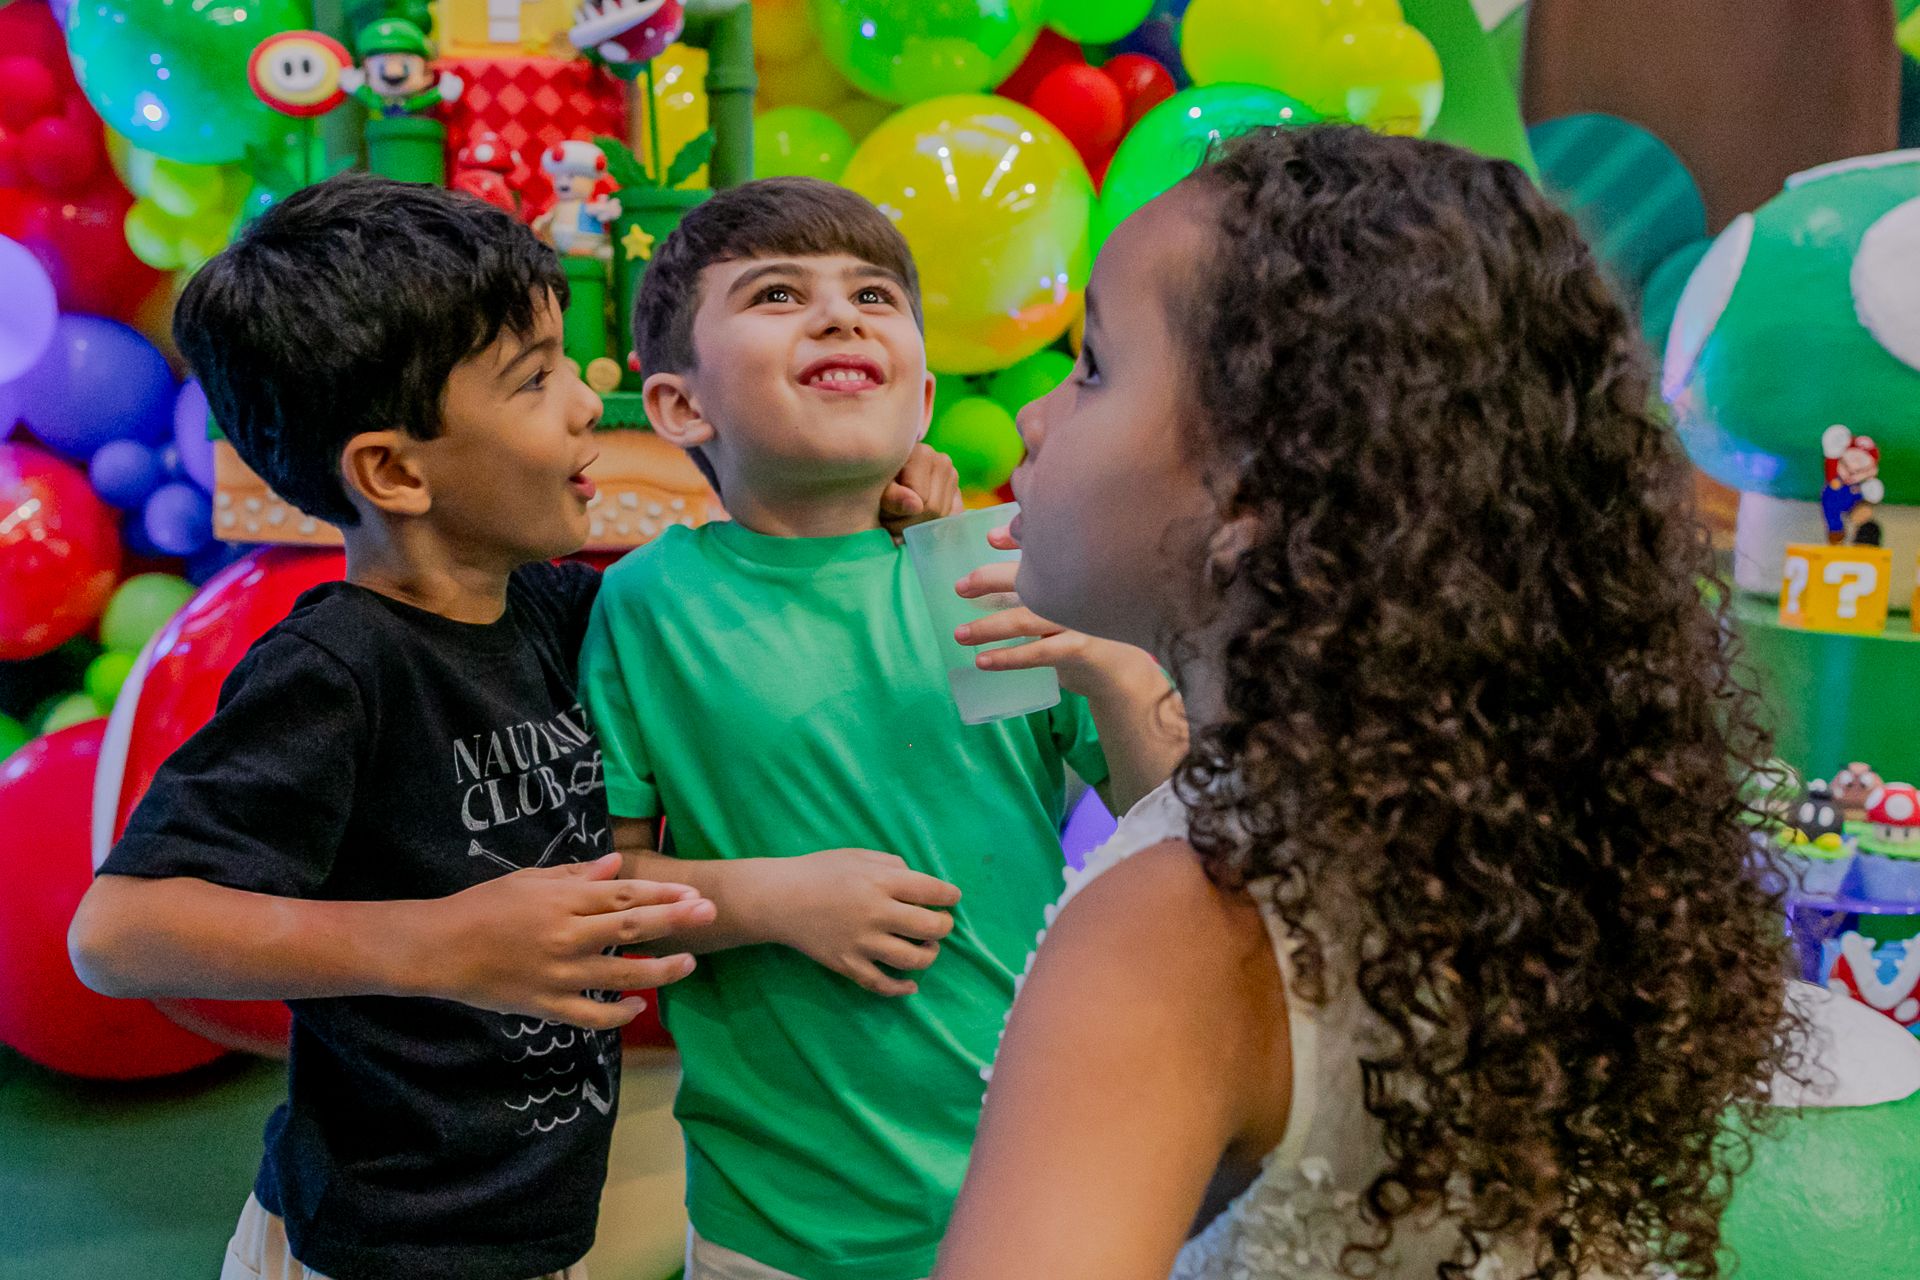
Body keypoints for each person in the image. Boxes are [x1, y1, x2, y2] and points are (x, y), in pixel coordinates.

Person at [935, 125, 1800, 1280]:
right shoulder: (1502, 840)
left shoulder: (1181, 933)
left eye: (1092, 364)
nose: (1038, 417)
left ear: (1253, 490)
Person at [64, 173, 953, 1280]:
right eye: (535, 380)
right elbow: (118, 931)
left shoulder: (562, 610)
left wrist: (866, 485)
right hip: (377, 1243)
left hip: (531, 1225)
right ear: (393, 469)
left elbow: (726, 598)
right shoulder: (338, 669)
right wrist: (435, 941)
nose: (588, 400)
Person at [579, 176, 1186, 1280]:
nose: (840, 315)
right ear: (679, 406)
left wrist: (1110, 659)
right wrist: (774, 897)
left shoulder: (1001, 567)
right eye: (776, 293)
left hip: (1035, 1176)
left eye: (872, 295)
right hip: (780, 1220)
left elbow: (1173, 810)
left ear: (920, 390)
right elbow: (604, 882)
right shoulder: (646, 605)